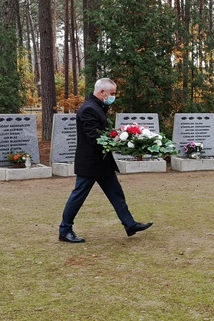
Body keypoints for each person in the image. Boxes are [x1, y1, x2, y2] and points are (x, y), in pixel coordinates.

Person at [58, 78, 152, 243]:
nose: (114, 97)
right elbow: (95, 138)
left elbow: (103, 133)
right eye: (112, 94)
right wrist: (119, 142)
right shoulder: (89, 109)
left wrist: (123, 135)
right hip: (90, 164)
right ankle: (65, 230)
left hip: (102, 163)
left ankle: (130, 225)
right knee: (78, 196)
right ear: (102, 92)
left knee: (116, 194)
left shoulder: (98, 107)